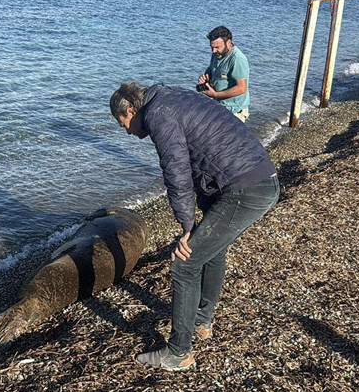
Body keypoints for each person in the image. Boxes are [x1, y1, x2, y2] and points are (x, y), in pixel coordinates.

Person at [110, 81, 279, 371]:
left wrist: (187, 227)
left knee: (184, 264)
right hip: (257, 177)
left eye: (122, 122)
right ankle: (202, 322)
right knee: (212, 250)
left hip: (246, 188)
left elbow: (176, 172)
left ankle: (179, 352)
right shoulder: (172, 98)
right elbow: (197, 157)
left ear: (131, 110)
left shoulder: (158, 114)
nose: (126, 131)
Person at [197, 26, 251, 122]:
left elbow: (242, 88)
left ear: (229, 43)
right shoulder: (217, 54)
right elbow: (211, 68)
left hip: (234, 111)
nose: (213, 51)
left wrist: (215, 94)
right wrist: (206, 76)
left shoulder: (237, 59)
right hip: (220, 106)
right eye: (212, 47)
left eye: (217, 47)